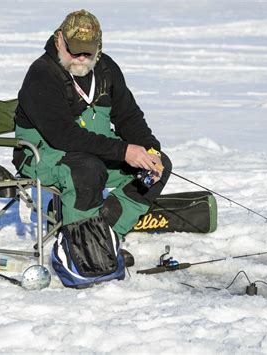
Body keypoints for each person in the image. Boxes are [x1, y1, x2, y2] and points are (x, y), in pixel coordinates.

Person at [13, 9, 172, 243]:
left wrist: (151, 150)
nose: (80, 58)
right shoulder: (43, 74)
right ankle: (79, 247)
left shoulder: (107, 69)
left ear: (99, 46)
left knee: (156, 167)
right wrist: (123, 151)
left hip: (95, 153)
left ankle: (105, 238)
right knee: (87, 169)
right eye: (74, 50)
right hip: (44, 156)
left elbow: (129, 117)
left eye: (87, 52)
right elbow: (63, 136)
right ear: (59, 40)